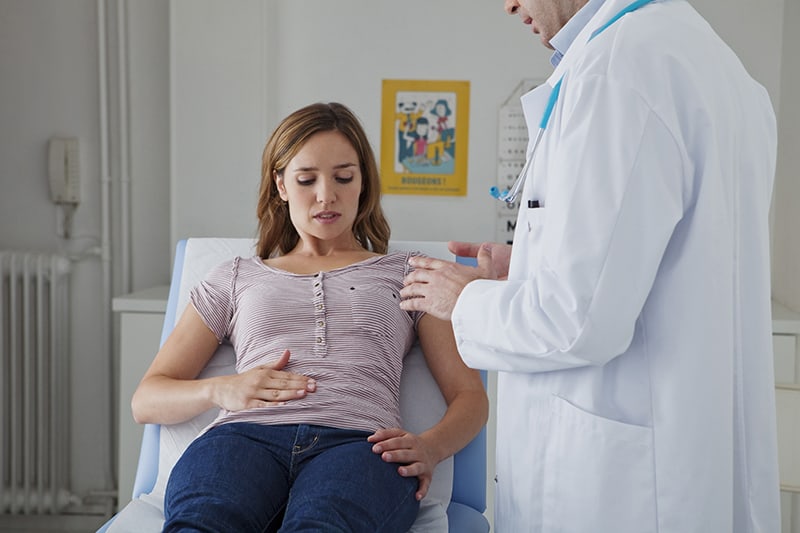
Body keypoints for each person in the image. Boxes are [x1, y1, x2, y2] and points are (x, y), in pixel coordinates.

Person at [399, 0, 780, 531]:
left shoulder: (620, 71)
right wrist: (531, 263)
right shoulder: (711, 61)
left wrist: (460, 300)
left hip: (624, 486)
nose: (507, 5)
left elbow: (574, 319)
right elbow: (657, 254)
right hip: (687, 450)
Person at [131, 102, 488, 533]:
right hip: (242, 440)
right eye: (306, 180)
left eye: (343, 177)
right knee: (203, 523)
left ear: (363, 184)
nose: (326, 195)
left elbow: (470, 397)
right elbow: (146, 399)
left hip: (361, 447)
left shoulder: (413, 274)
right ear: (280, 184)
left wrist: (430, 448)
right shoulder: (234, 277)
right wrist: (224, 390)